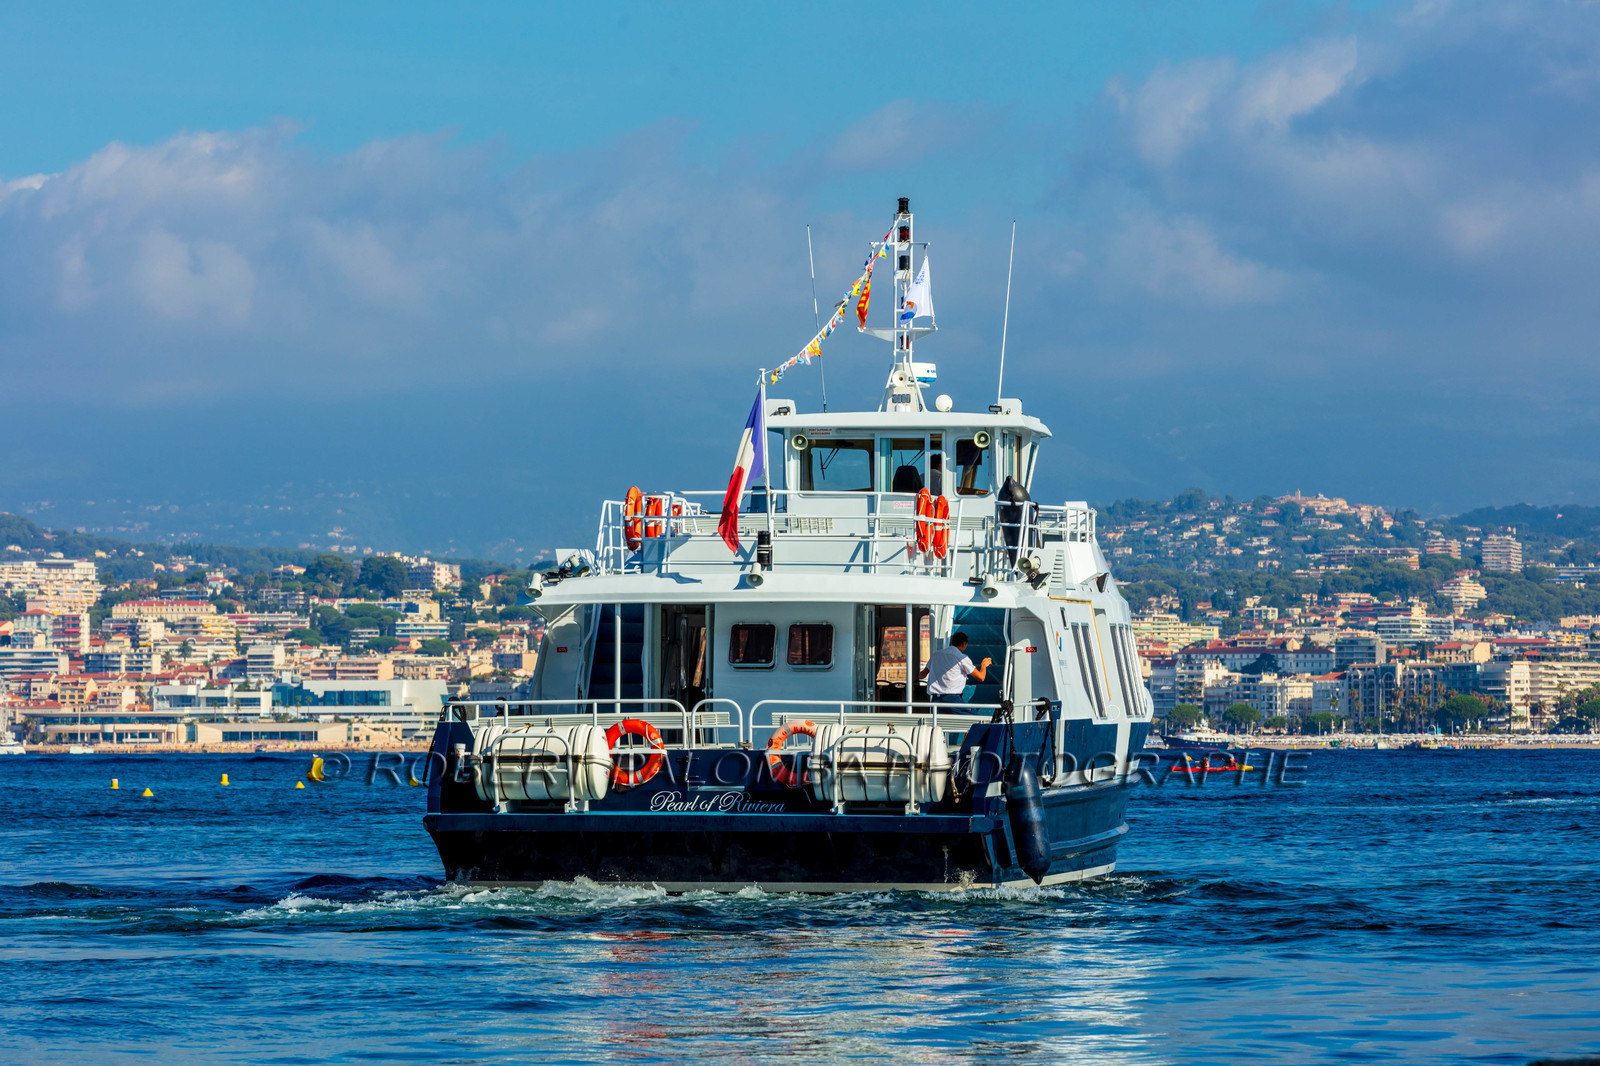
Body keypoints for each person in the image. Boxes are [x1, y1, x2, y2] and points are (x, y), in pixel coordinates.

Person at [920, 632, 991, 705]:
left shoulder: (936, 655)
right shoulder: (961, 658)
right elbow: (981, 677)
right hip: (952, 700)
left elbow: (922, 675)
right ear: (964, 644)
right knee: (975, 716)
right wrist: (984, 665)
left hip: (935, 700)